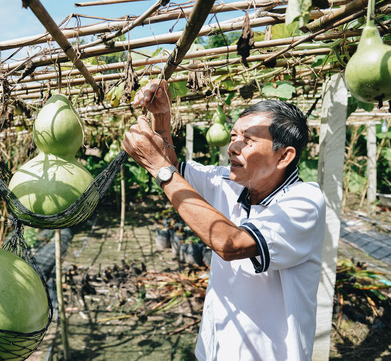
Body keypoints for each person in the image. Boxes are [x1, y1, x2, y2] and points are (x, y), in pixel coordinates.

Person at [122, 79, 326, 361]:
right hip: (215, 349)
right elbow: (172, 169)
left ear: (284, 156)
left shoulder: (305, 201)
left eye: (248, 139)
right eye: (232, 136)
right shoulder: (229, 181)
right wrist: (162, 117)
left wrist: (158, 168)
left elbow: (230, 244)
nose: (233, 147)